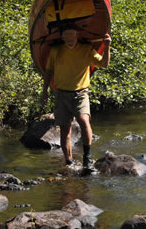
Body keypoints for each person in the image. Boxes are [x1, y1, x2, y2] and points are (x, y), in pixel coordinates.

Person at [41, 28, 111, 170]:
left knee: (84, 121)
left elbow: (104, 64)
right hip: (61, 94)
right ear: (62, 37)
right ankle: (69, 162)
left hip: (80, 93)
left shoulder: (86, 49)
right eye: (67, 38)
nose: (70, 41)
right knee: (65, 129)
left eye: (72, 37)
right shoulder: (56, 51)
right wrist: (44, 91)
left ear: (77, 36)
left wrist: (107, 46)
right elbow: (49, 71)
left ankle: (87, 158)